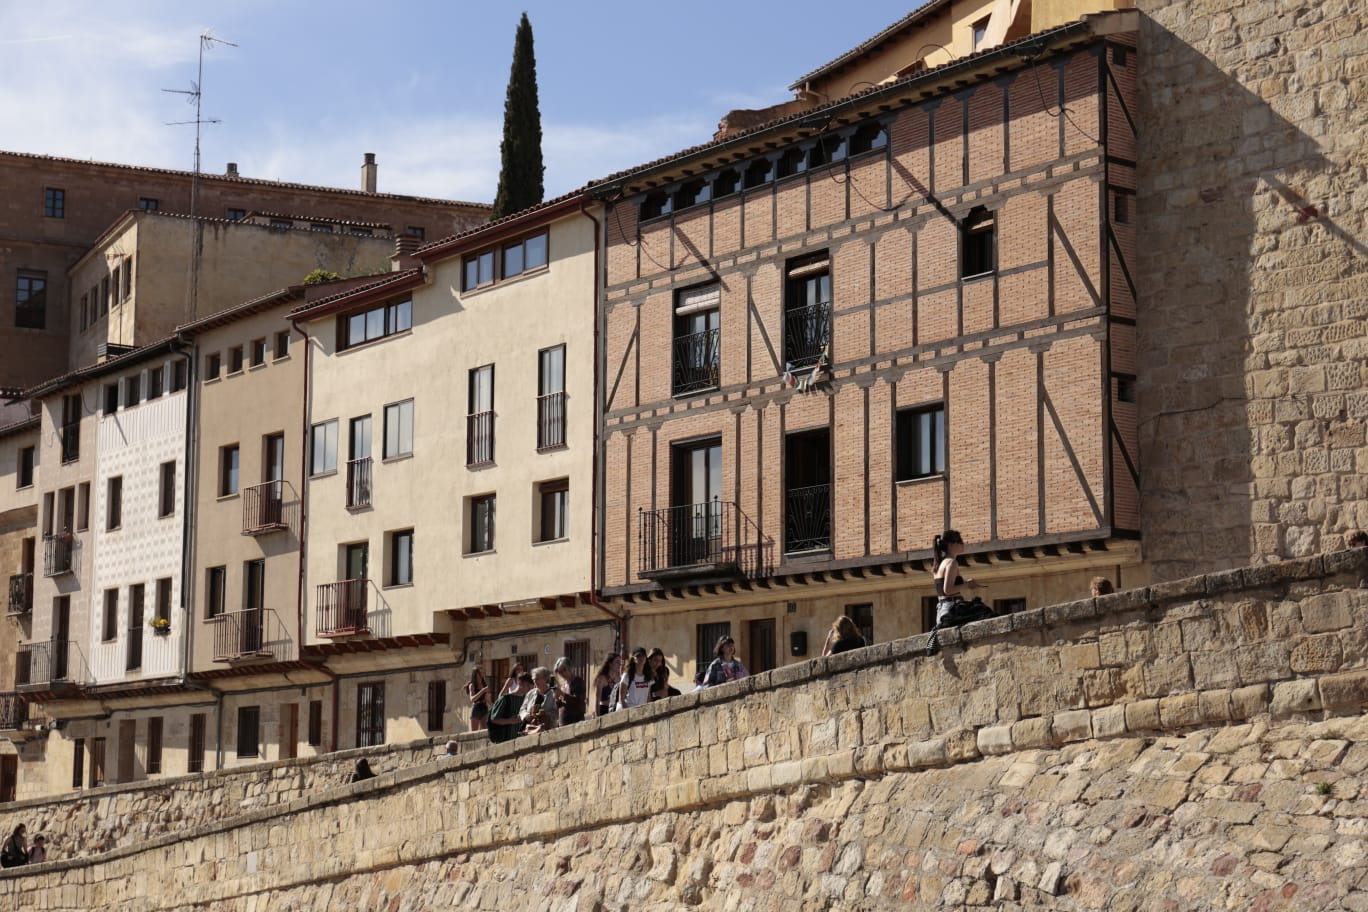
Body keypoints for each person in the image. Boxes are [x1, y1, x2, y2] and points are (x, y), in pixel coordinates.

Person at [926, 529, 985, 656]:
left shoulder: (939, 564)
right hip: (951, 608)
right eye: (960, 541)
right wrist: (968, 585)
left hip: (942, 609)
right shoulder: (952, 562)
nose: (963, 544)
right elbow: (948, 590)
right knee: (983, 612)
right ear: (951, 545)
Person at [489, 671, 532, 743]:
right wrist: (512, 721)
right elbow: (494, 719)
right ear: (519, 683)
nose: (529, 688)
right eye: (527, 685)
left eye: (530, 686)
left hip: (523, 740)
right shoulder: (505, 699)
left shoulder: (528, 699)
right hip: (506, 740)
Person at [519, 667, 558, 733]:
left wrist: (545, 713)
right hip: (530, 729)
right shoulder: (530, 694)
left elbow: (556, 712)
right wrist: (526, 715)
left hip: (548, 730)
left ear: (545, 679)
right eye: (534, 679)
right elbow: (522, 709)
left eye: (537, 679)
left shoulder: (553, 693)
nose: (535, 682)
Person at [552, 657, 587, 726]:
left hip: (576, 720)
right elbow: (560, 706)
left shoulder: (578, 682)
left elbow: (578, 700)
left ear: (569, 668)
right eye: (560, 672)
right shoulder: (563, 685)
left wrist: (563, 694)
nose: (562, 673)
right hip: (564, 721)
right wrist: (556, 699)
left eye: (564, 670)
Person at [465, 666, 491, 732]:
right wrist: (482, 691)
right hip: (476, 708)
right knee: (474, 732)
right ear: (475, 674)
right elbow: (472, 699)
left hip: (484, 707)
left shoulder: (484, 684)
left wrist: (493, 705)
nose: (481, 675)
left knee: (485, 731)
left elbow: (487, 699)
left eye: (482, 673)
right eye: (479, 673)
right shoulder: (472, 685)